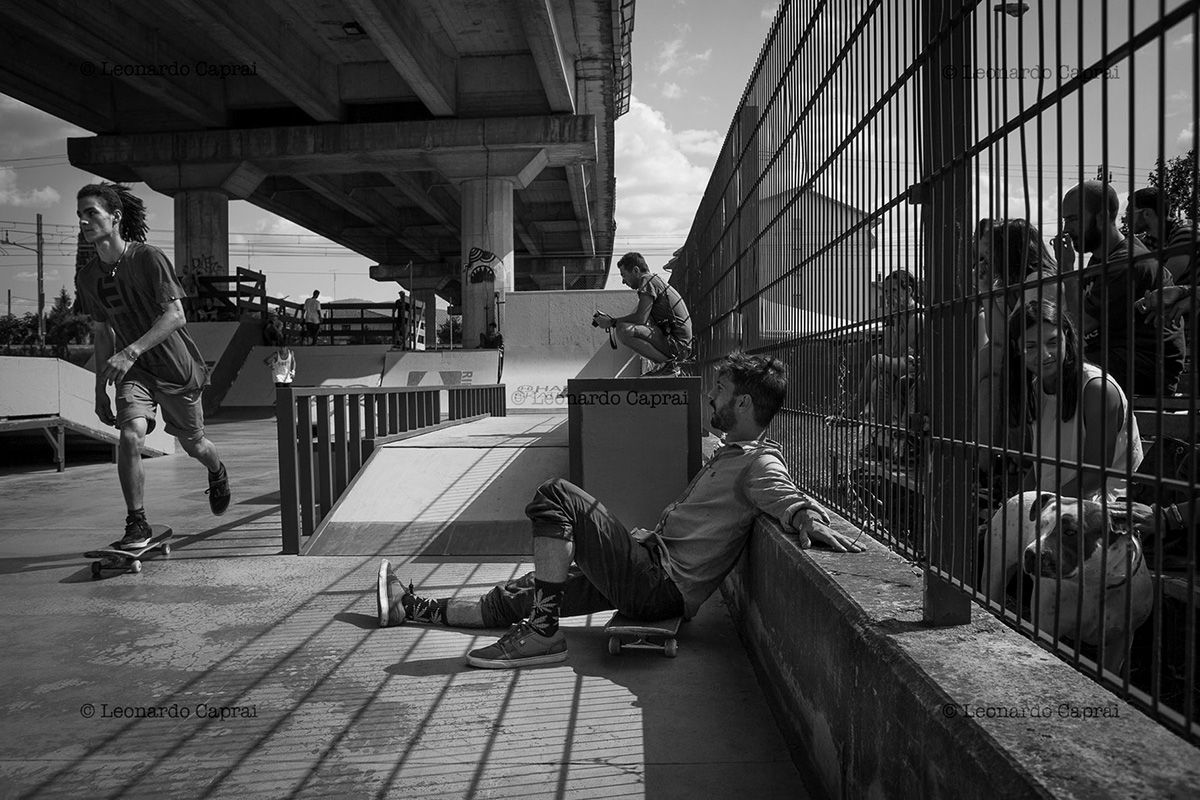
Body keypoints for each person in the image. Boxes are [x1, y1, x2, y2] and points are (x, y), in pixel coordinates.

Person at [375, 351, 865, 669]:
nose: (709, 396)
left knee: (556, 494)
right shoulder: (731, 454)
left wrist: (806, 519)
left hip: (658, 586)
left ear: (740, 403)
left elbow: (784, 495)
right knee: (526, 593)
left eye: (717, 389)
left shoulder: (757, 462)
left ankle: (544, 635)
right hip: (647, 566)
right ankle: (415, 609)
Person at [74, 182, 231, 550]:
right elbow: (102, 334)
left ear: (115, 218)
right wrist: (99, 389)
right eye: (80, 215)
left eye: (91, 213)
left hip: (176, 368)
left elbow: (176, 315)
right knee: (130, 436)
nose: (84, 221)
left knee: (194, 444)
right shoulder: (87, 277)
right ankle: (137, 522)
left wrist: (130, 351)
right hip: (136, 373)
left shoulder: (147, 258)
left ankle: (217, 470)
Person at [1003, 299, 1142, 503]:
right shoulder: (1034, 388)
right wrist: (1017, 505)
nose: (1044, 355)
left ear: (1066, 337)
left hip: (1102, 505)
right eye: (1030, 346)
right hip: (1055, 501)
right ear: (1017, 348)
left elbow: (1094, 477)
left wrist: (1039, 507)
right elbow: (1039, 468)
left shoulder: (1097, 388)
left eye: (1052, 342)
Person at [1056, 181, 1185, 396]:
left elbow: (1077, 325)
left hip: (1142, 367)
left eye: (1073, 219)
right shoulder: (1101, 260)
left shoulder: (1126, 262)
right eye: (1064, 221)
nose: (1066, 229)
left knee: (1047, 366)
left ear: (1102, 216)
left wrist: (1067, 269)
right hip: (1115, 357)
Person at [973, 219, 1062, 487]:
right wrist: (986, 291)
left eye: (991, 250)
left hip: (1044, 367)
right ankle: (985, 466)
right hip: (1023, 365)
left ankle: (982, 466)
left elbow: (1008, 336)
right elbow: (998, 333)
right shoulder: (1014, 283)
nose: (986, 258)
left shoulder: (1040, 281)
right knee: (987, 369)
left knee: (988, 363)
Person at [592, 252, 692, 377]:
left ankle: (668, 365)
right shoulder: (655, 281)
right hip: (679, 344)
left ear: (635, 270)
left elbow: (640, 319)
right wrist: (613, 321)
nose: (623, 281)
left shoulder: (647, 280)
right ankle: (666, 366)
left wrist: (611, 322)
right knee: (624, 327)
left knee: (624, 330)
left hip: (677, 345)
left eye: (624, 275)